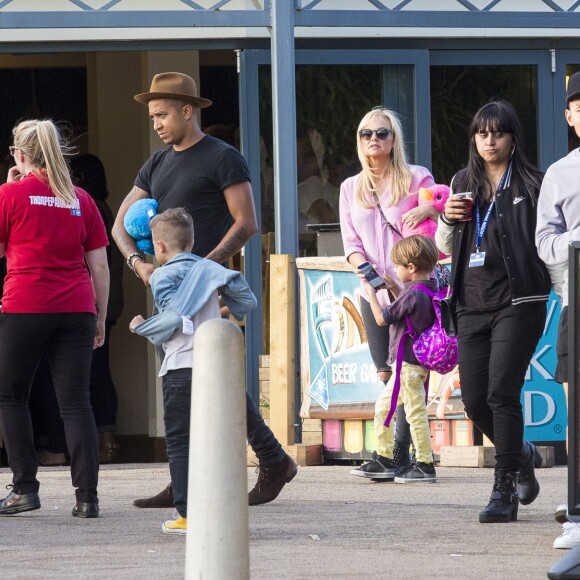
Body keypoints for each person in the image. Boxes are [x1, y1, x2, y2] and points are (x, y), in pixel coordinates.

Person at [111, 71, 296, 509]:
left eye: (162, 114)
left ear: (187, 110)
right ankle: (196, 478)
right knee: (184, 383)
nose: (155, 123)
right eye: (152, 115)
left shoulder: (222, 157)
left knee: (211, 377)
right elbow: (119, 224)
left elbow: (247, 223)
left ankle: (267, 460)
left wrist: (203, 271)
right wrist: (140, 264)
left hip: (207, 291)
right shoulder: (155, 164)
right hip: (168, 292)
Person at [435, 99, 551, 523]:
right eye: (481, 133)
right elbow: (446, 248)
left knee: (502, 392)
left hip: (519, 302)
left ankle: (504, 490)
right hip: (470, 303)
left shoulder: (533, 185)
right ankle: (520, 453)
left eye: (497, 132)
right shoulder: (462, 181)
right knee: (475, 403)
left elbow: (548, 241)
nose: (489, 140)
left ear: (512, 137)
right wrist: (446, 219)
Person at [0, 119, 109, 519]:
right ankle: (87, 498)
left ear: (21, 154)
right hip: (77, 307)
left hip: (25, 305)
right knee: (77, 402)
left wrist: (11, 185)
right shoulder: (82, 199)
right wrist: (97, 315)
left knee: (12, 397)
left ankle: (25, 489)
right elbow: (99, 266)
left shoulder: (9, 195)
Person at [129, 208, 257, 534]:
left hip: (181, 367)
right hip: (216, 368)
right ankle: (220, 509)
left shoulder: (160, 275)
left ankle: (187, 514)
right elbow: (246, 303)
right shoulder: (210, 269)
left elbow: (171, 323)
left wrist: (143, 326)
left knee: (180, 442)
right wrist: (213, 307)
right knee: (216, 439)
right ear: (193, 240)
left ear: (158, 247)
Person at [340, 106, 437, 478]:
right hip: (374, 290)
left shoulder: (416, 177)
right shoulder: (351, 187)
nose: (373, 140)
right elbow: (351, 243)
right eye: (366, 134)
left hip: (414, 290)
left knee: (409, 372)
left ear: (393, 139)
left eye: (381, 133)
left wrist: (427, 207)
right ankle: (392, 455)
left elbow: (440, 213)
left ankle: (402, 454)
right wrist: (373, 276)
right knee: (386, 372)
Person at [535, 71, 580, 548]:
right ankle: (579, 513)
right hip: (578, 303)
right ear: (570, 117)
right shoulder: (560, 173)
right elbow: (545, 245)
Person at [359, 236, 439, 483]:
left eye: (399, 266)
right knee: (384, 407)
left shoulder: (412, 295)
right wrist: (393, 286)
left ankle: (425, 464)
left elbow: (383, 319)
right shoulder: (427, 288)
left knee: (415, 414)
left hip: (408, 366)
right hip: (412, 365)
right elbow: (406, 305)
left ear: (411, 268)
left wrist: (370, 294)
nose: (396, 269)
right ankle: (384, 458)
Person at [70, 154, 124, 463]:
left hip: (94, 301)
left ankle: (106, 441)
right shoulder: (103, 208)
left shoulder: (89, 207)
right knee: (98, 369)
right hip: (105, 300)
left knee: (96, 371)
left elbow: (96, 264)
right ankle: (108, 439)